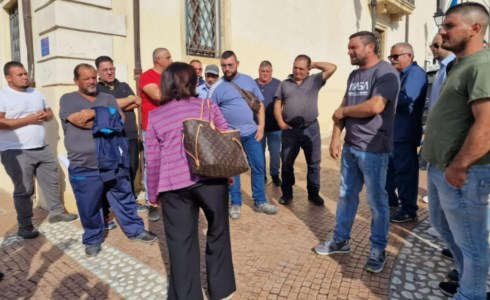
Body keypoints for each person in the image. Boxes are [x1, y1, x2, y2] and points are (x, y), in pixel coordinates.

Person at [145, 62, 235, 300]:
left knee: (180, 244)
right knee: (218, 232)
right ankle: (221, 290)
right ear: (192, 83)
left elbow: (152, 159)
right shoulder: (207, 105)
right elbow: (225, 136)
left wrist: (153, 194)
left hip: (173, 185)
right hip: (210, 178)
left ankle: (186, 295)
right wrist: (228, 173)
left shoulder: (154, 116)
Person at [313, 31, 400, 274]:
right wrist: (336, 137)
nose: (349, 51)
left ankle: (378, 249)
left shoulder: (386, 73)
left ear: (370, 47)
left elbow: (376, 106)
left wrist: (344, 112)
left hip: (374, 149)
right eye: (348, 47)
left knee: (376, 202)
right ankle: (341, 241)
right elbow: (342, 107)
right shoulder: (354, 74)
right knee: (346, 196)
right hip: (351, 147)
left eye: (353, 47)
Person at [422, 3, 490, 298]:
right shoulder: (459, 65)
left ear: (475, 29)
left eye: (449, 25)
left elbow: (486, 126)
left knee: (472, 242)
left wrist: (459, 166)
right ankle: (467, 282)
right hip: (441, 168)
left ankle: (471, 294)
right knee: (446, 229)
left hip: (464, 174)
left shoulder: (482, 65)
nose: (442, 31)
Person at [59, 63, 157, 257]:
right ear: (76, 80)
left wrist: (93, 113)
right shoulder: (68, 99)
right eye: (86, 78)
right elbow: (78, 120)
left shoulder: (107, 97)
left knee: (124, 198)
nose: (91, 81)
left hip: (113, 161)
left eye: (93, 78)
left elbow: (119, 121)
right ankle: (93, 238)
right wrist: (106, 117)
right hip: (84, 164)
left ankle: (135, 230)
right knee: (89, 205)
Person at [0, 61, 78, 239]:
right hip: (16, 151)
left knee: (51, 178)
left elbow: (49, 112)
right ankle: (25, 225)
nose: (25, 77)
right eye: (19, 74)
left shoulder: (36, 92)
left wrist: (45, 115)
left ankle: (57, 212)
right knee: (24, 189)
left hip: (41, 146)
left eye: (25, 73)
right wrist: (26, 121)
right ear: (8, 78)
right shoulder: (3, 95)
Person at [209, 50, 278, 219]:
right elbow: (210, 113)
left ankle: (260, 201)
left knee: (258, 166)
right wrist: (219, 133)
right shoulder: (216, 87)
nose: (227, 69)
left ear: (237, 64)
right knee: (234, 170)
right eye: (224, 66)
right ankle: (235, 203)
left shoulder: (248, 80)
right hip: (230, 135)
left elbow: (259, 104)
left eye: (230, 65)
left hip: (252, 132)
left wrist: (261, 126)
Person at [274, 56, 337, 205]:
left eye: (302, 68)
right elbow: (277, 105)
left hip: (311, 129)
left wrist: (313, 64)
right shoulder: (284, 84)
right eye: (295, 67)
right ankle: (287, 193)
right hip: (290, 131)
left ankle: (313, 193)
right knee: (287, 162)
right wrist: (281, 123)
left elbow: (332, 67)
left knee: (314, 163)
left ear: (308, 69)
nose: (298, 71)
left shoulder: (314, 80)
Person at [95, 55, 147, 231]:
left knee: (131, 169)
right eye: (105, 70)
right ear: (98, 72)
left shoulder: (123, 85)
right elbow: (104, 106)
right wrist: (124, 102)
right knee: (112, 175)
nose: (109, 72)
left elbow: (137, 102)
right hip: (111, 139)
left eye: (111, 68)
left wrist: (115, 105)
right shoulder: (97, 89)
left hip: (130, 135)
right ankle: (107, 211)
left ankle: (130, 202)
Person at [386, 43, 428, 223]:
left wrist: (383, 93)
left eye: (396, 56)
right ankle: (391, 202)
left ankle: (409, 209)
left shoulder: (415, 73)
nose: (392, 60)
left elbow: (404, 100)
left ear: (409, 56)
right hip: (394, 132)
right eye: (391, 57)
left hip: (404, 132)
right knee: (390, 172)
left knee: (405, 173)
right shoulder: (401, 74)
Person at [424, 34, 455, 237]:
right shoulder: (441, 70)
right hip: (434, 141)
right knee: (439, 202)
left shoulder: (455, 68)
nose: (433, 49)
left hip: (448, 144)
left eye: (437, 45)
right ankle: (448, 236)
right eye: (432, 45)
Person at [138, 47, 173, 222]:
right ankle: (152, 203)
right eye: (168, 57)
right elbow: (158, 96)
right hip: (152, 128)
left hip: (170, 128)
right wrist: (178, 92)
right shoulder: (147, 76)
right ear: (158, 59)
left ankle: (167, 198)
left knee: (170, 164)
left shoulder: (169, 76)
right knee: (152, 166)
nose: (171, 60)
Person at [255, 60, 282, 186]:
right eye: (262, 71)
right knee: (259, 153)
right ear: (259, 71)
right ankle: (262, 175)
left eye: (267, 71)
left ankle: (275, 174)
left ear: (271, 72)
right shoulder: (253, 84)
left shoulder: (278, 84)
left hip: (274, 127)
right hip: (258, 127)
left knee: (275, 153)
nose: (265, 74)